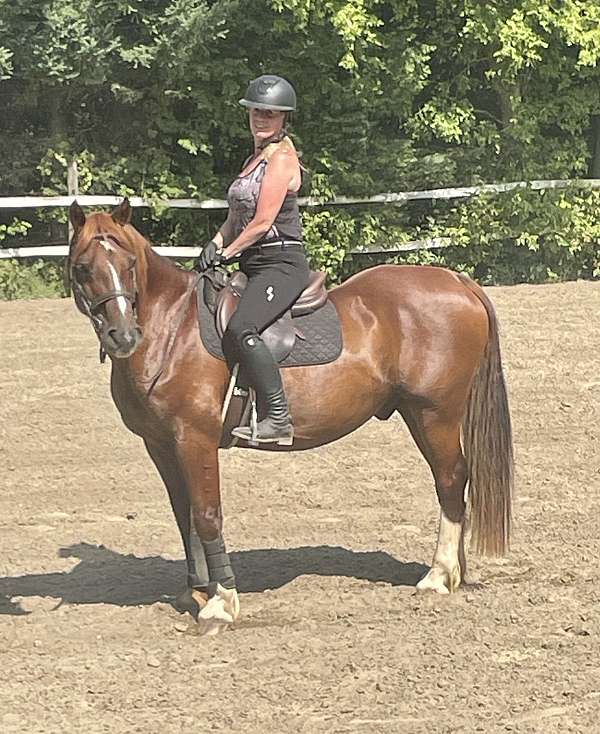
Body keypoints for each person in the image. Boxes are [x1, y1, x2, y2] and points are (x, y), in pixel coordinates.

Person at [195, 74, 310, 445]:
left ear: (283, 120)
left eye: (271, 114)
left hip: (281, 264)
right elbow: (236, 218)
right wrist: (214, 244)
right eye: (256, 112)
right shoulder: (253, 160)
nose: (262, 118)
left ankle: (277, 416)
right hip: (251, 263)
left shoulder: (281, 160)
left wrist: (227, 253)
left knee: (242, 326)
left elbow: (262, 222)